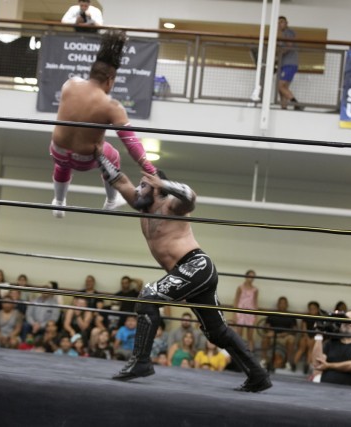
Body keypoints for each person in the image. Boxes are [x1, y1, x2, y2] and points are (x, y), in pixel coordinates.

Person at [96, 156, 271, 392]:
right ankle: (258, 376)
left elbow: (190, 197)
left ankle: (141, 362)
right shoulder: (142, 205)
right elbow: (120, 180)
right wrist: (99, 155)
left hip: (196, 266)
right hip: (188, 274)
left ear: (158, 189)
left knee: (148, 296)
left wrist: (164, 184)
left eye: (145, 185)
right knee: (216, 332)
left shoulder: (171, 205)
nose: (139, 189)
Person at [50, 30, 157, 218]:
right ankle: (111, 200)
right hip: (85, 158)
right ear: (110, 80)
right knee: (113, 155)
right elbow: (131, 144)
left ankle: (59, 202)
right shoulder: (112, 107)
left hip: (57, 152)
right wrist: (150, 169)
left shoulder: (70, 84)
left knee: (63, 161)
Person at [312, 309, 351, 387]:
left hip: (350, 393)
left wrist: (328, 365)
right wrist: (319, 335)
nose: (347, 323)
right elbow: (317, 364)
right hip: (326, 389)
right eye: (345, 319)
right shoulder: (330, 343)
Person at [276, 16, 303, 111]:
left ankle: (296, 103)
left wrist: (279, 53)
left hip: (290, 64)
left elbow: (289, 45)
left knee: (280, 85)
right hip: (284, 64)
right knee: (283, 88)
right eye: (278, 22)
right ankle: (284, 107)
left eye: (282, 22)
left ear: (286, 23)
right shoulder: (282, 35)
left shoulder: (288, 32)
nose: (280, 24)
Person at [232, 269, 259, 352]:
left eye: (253, 277)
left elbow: (255, 302)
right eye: (249, 276)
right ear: (246, 276)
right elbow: (236, 300)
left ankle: (250, 354)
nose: (251, 278)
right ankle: (238, 352)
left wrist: (256, 316)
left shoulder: (255, 290)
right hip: (240, 312)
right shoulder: (240, 287)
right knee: (238, 334)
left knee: (250, 336)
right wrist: (235, 314)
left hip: (250, 312)